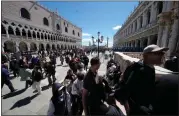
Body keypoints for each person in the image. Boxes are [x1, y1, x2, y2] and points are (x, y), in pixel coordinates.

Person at [115, 44, 169, 115]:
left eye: (162, 53)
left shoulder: (149, 68)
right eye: (157, 53)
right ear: (146, 56)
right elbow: (126, 90)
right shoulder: (141, 71)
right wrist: (129, 110)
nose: (161, 55)